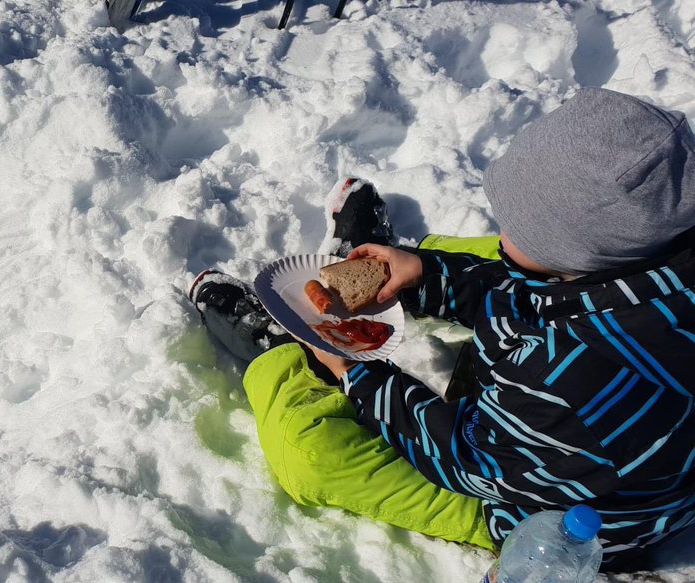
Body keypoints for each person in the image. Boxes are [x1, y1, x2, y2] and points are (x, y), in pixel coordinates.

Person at [188, 88, 695, 570]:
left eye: (517, 224)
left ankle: (280, 354)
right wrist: (426, 274)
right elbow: (538, 289)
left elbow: (465, 454)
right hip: (601, 439)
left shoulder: (563, 376)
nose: (504, 229)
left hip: (549, 512)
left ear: (581, 254)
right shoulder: (649, 265)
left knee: (310, 455)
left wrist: (358, 376)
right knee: (489, 260)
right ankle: (386, 274)